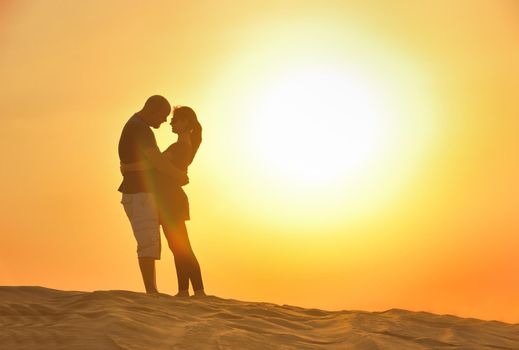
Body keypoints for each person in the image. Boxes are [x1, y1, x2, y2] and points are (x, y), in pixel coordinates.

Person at [121, 106, 206, 297]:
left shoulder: (180, 147)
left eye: (175, 120)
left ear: (185, 123)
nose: (170, 123)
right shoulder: (184, 146)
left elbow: (154, 164)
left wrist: (128, 167)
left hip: (171, 200)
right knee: (178, 247)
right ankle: (184, 291)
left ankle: (198, 291)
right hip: (169, 199)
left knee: (182, 247)